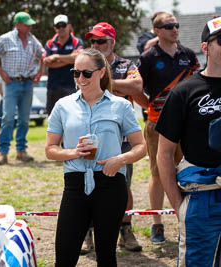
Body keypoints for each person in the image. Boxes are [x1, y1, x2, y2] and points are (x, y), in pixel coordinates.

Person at [46, 48, 146, 267]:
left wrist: (120, 159)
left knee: (106, 256)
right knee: (64, 255)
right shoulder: (63, 106)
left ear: (101, 73)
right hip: (75, 183)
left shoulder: (120, 106)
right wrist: (73, 152)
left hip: (111, 182)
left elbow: (141, 147)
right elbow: (50, 149)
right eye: (75, 73)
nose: (80, 78)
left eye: (86, 73)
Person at [156, 16, 221, 266]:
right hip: (202, 196)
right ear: (205, 47)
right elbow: (164, 154)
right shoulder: (184, 91)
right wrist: (177, 205)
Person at [138, 11, 200, 244]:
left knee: (186, 173)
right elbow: (136, 88)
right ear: (157, 31)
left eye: (176, 25)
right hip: (157, 125)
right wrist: (150, 107)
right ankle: (157, 225)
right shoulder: (148, 57)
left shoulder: (189, 55)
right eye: (169, 26)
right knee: (157, 174)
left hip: (187, 125)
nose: (175, 29)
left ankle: (185, 221)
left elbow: (198, 83)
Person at [84, 21, 146, 252]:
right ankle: (87, 231)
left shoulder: (125, 64)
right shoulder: (86, 64)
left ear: (112, 42)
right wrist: (119, 88)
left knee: (123, 185)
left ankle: (125, 229)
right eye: (93, 41)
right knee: (87, 184)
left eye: (101, 41)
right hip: (91, 135)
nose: (96, 45)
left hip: (122, 138)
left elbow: (137, 86)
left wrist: (106, 84)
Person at [0, 11, 44, 165]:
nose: (29, 27)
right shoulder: (6, 39)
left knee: (24, 119)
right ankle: (2, 152)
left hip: (28, 83)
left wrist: (39, 72)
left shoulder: (33, 40)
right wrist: (1, 71)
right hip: (10, 83)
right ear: (17, 25)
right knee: (8, 118)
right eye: (26, 24)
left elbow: (43, 55)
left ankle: (21, 151)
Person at [43, 14, 84, 115]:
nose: (61, 28)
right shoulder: (49, 43)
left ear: (69, 26)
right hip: (53, 87)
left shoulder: (77, 41)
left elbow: (78, 58)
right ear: (54, 28)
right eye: (58, 26)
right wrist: (69, 59)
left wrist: (56, 57)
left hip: (71, 86)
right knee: (53, 118)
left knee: (72, 117)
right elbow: (47, 62)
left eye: (63, 25)